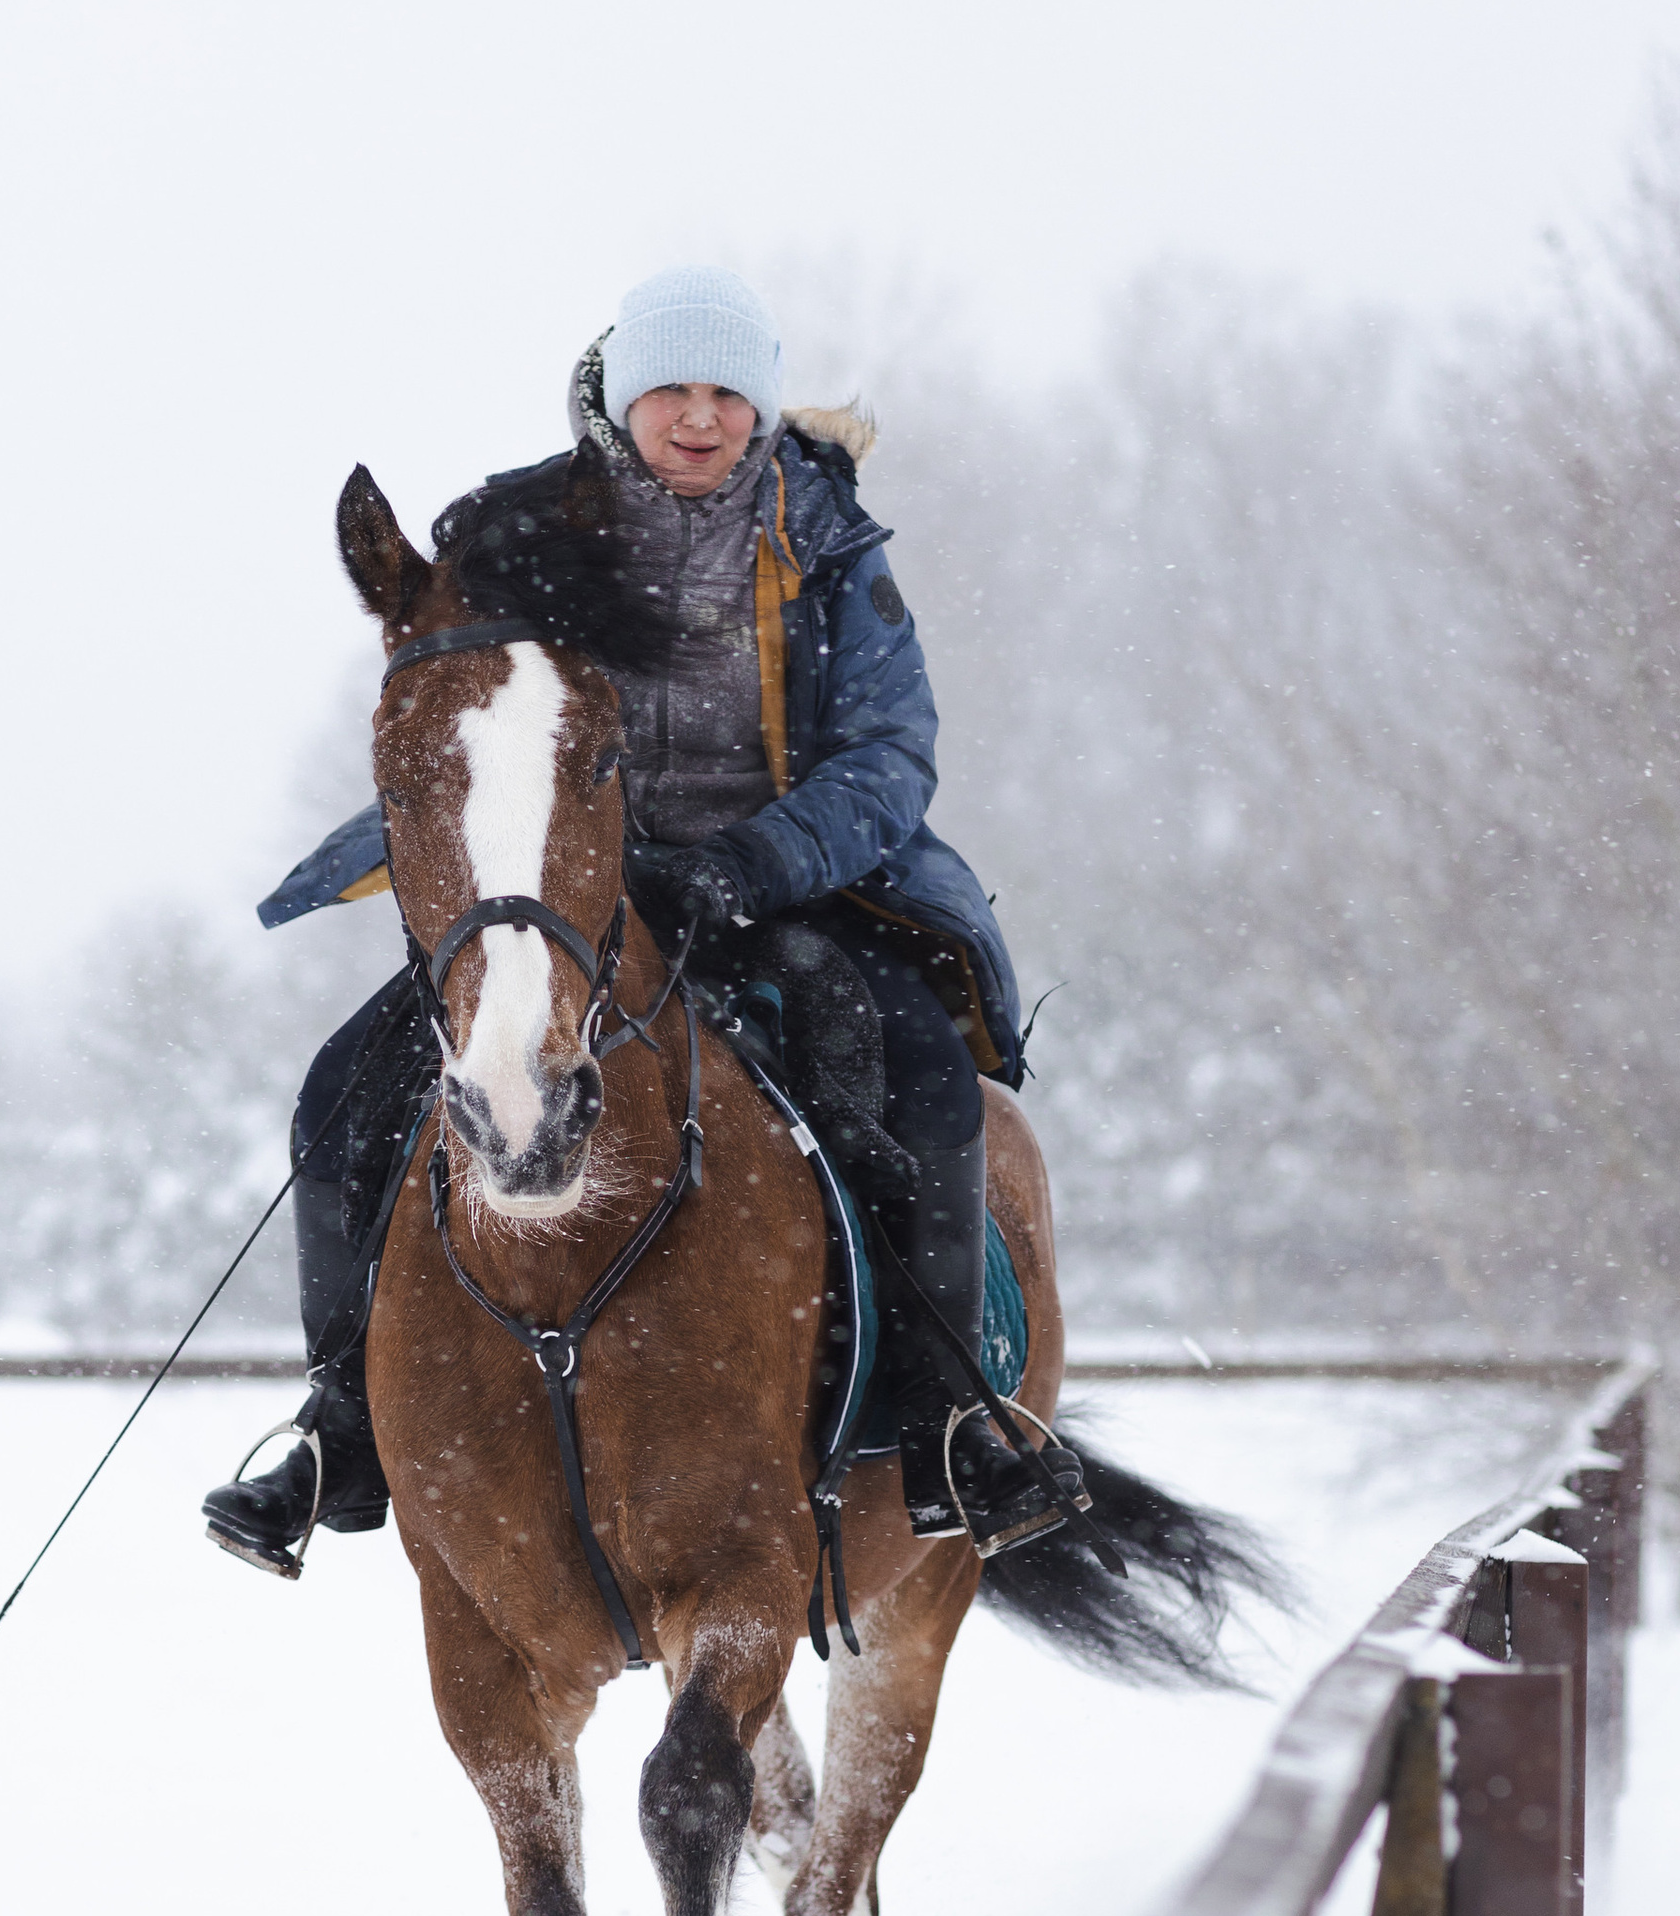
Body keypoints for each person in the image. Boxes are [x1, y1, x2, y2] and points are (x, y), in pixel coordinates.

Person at [203, 265, 1083, 1577]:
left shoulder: (832, 546)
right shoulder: (517, 539)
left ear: (762, 411)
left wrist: (745, 864)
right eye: (671, 387)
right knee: (346, 1087)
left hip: (790, 890)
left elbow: (891, 760)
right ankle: (341, 1424)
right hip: (567, 906)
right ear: (621, 397)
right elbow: (465, 711)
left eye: (728, 392)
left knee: (924, 1082)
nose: (698, 415)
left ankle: (950, 1419)